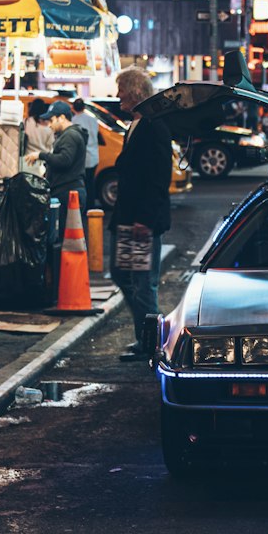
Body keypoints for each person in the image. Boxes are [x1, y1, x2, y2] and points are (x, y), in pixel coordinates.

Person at [109, 67, 174, 361]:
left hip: (140, 222)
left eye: (121, 88)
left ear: (134, 91)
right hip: (128, 219)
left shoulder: (153, 126)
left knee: (142, 283)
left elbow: (158, 177)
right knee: (123, 275)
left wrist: (144, 221)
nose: (117, 94)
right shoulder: (135, 125)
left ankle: (152, 341)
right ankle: (152, 334)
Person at [25, 100, 87, 244]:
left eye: (52, 120)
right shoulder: (67, 135)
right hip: (66, 191)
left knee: (66, 241)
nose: (49, 125)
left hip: (68, 193)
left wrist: (40, 155)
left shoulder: (70, 135)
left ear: (62, 118)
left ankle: (65, 266)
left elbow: (65, 160)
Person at [71, 97, 100, 211]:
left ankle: (83, 208)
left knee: (81, 184)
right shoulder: (93, 120)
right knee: (90, 183)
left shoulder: (74, 121)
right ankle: (91, 207)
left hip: (82, 158)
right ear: (84, 107)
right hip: (93, 155)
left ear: (73, 108)